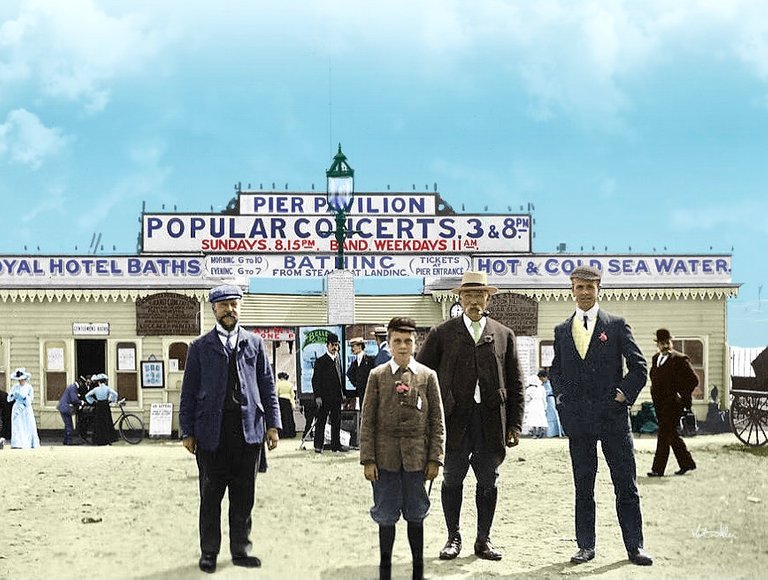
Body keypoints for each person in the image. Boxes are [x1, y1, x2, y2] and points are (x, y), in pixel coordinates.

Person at [416, 271, 525, 562]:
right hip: (453, 422)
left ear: (488, 298)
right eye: (468, 295)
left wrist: (514, 423)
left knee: (488, 481)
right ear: (459, 298)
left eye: (479, 295)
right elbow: (421, 377)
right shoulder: (442, 333)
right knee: (452, 479)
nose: (474, 301)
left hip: (491, 422)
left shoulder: (504, 335)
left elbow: (515, 383)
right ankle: (453, 538)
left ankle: (483, 539)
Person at [549, 265, 653, 566]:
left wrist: (623, 394)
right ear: (571, 289)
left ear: (599, 289)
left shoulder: (616, 325)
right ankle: (585, 546)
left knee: (625, 484)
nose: (584, 293)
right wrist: (561, 400)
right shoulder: (562, 330)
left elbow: (639, 367)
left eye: (589, 287)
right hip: (579, 422)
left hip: (612, 419)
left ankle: (635, 547)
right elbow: (556, 370)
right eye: (579, 287)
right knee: (584, 486)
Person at [179, 284, 281, 574]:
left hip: (248, 432)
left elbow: (267, 386)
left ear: (240, 306)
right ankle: (209, 552)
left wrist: (273, 425)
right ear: (213, 309)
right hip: (212, 434)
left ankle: (241, 550)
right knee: (210, 497)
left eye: (234, 304)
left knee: (244, 495)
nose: (229, 310)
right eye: (223, 305)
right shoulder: (200, 347)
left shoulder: (255, 343)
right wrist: (187, 430)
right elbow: (188, 392)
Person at [360, 317, 445, 580]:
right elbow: (368, 420)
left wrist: (435, 459)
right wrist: (368, 460)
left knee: (416, 514)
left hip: (417, 459)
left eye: (408, 341)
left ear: (416, 343)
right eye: (397, 341)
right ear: (389, 343)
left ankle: (417, 570)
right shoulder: (377, 376)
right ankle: (385, 570)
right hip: (384, 460)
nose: (403, 346)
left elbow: (437, 421)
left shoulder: (427, 376)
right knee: (386, 516)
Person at [648, 328, 698, 477]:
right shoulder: (656, 359)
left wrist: (681, 396)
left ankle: (658, 469)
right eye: (661, 343)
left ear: (671, 342)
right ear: (657, 344)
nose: (665, 346)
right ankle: (687, 463)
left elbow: (693, 380)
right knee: (671, 435)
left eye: (667, 342)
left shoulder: (680, 359)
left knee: (664, 435)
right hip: (660, 405)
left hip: (673, 405)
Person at [312, 332, 347, 453]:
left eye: (337, 345)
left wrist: (343, 393)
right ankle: (318, 446)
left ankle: (336, 445)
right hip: (324, 398)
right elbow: (315, 380)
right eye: (333, 345)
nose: (335, 348)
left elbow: (340, 379)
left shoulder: (338, 360)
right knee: (321, 422)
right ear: (327, 345)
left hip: (336, 398)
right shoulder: (321, 361)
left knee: (336, 422)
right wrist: (318, 396)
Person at [7, 368, 41, 449]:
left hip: (26, 408)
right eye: (19, 380)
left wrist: (25, 398)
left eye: (22, 379)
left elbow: (31, 399)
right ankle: (18, 443)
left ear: (25, 379)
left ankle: (28, 443)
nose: (20, 381)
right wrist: (13, 395)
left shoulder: (29, 387)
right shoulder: (15, 387)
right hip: (17, 407)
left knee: (28, 424)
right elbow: (9, 398)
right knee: (17, 425)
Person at [85, 373, 118, 445]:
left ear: (98, 382)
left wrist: (93, 401)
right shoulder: (107, 388)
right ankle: (108, 439)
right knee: (107, 421)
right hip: (106, 405)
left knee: (98, 422)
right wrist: (112, 400)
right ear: (105, 381)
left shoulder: (96, 389)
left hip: (99, 405)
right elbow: (115, 394)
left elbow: (87, 395)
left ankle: (99, 440)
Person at [347, 336, 375, 404]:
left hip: (369, 393)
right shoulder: (355, 363)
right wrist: (356, 384)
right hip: (360, 393)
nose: (352, 349)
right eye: (351, 347)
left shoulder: (369, 360)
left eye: (353, 346)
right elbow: (349, 374)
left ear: (360, 346)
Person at [58, 377, 85, 445]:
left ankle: (66, 441)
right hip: (66, 408)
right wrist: (81, 402)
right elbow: (74, 399)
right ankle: (69, 442)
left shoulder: (71, 387)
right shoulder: (73, 388)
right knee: (69, 425)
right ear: (80, 383)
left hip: (63, 407)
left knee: (67, 425)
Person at [539, 370, 564, 437]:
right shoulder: (543, 384)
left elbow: (548, 391)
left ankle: (554, 432)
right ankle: (550, 432)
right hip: (546, 399)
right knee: (548, 415)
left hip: (550, 399)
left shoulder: (549, 383)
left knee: (552, 414)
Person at [276, 372, 297, 438]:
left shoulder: (278, 384)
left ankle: (282, 434)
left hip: (280, 400)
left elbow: (276, 393)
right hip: (288, 401)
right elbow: (292, 395)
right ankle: (290, 433)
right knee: (289, 418)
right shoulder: (289, 384)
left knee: (282, 417)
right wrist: (293, 405)